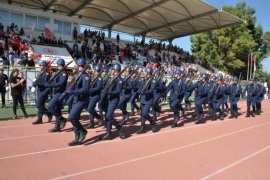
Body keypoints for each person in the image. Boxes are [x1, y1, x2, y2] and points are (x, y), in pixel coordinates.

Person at [66, 58, 89, 146]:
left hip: (82, 99)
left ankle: (82, 131)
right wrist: (68, 90)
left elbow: (86, 89)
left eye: (78, 66)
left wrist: (73, 92)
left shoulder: (85, 76)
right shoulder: (77, 75)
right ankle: (76, 136)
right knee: (74, 118)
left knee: (71, 117)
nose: (77, 67)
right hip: (76, 99)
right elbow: (72, 85)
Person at [100, 64, 126, 140]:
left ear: (115, 70)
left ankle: (119, 127)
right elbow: (104, 85)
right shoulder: (110, 78)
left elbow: (118, 91)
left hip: (114, 99)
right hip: (108, 99)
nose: (112, 71)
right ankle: (108, 133)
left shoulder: (119, 79)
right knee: (107, 117)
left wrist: (108, 92)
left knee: (109, 116)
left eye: (113, 70)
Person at [45, 59, 68, 132]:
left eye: (59, 65)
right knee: (57, 109)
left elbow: (61, 83)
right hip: (55, 92)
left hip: (60, 93)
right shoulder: (58, 72)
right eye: (58, 65)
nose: (58, 66)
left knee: (50, 107)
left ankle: (61, 118)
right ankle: (57, 126)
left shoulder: (64, 73)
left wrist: (50, 85)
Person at [137, 67, 158, 134]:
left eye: (145, 72)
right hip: (143, 99)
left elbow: (152, 90)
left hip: (149, 99)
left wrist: (144, 92)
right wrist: (138, 91)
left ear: (148, 72)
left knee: (145, 113)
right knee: (142, 114)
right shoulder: (144, 80)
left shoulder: (153, 80)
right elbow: (140, 87)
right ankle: (142, 127)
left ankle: (152, 123)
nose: (144, 73)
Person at [86, 63, 103, 129]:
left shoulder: (99, 78)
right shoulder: (93, 76)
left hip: (96, 95)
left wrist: (90, 90)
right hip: (91, 95)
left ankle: (99, 117)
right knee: (91, 109)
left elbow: (98, 88)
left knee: (89, 108)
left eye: (94, 69)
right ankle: (91, 123)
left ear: (96, 69)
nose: (93, 70)